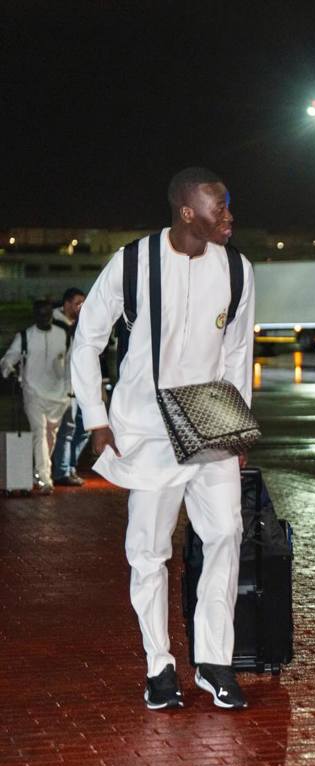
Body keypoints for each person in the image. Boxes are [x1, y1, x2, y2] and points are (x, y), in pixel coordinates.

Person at [71, 167, 255, 711]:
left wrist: (239, 425)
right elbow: (88, 339)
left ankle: (215, 663)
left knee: (226, 535)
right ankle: (159, 665)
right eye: (219, 207)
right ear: (186, 211)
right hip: (148, 427)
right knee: (149, 552)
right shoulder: (133, 262)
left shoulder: (237, 269)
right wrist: (96, 418)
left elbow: (238, 352)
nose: (229, 216)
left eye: (228, 205)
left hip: (211, 421)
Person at [0, 299, 72, 494]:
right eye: (40, 314)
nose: (44, 317)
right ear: (35, 315)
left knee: (50, 436)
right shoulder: (25, 336)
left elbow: (71, 363)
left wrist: (70, 390)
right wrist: (9, 369)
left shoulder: (64, 335)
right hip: (33, 393)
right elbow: (8, 358)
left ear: (51, 314)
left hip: (59, 397)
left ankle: (38, 472)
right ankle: (45, 478)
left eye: (47, 313)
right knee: (39, 432)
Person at [51, 287, 89, 486]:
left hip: (83, 385)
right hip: (65, 387)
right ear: (66, 304)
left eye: (83, 303)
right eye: (77, 303)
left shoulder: (81, 324)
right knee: (67, 430)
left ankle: (68, 466)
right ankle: (63, 470)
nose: (81, 307)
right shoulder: (54, 326)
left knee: (85, 429)